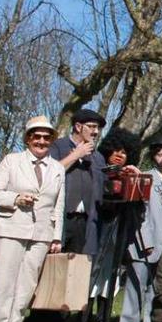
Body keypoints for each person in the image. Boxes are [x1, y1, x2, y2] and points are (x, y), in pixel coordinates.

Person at [0, 116, 65, 322]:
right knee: (3, 281)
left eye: (46, 137)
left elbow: (58, 205)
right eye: (36, 136)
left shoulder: (58, 168)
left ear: (51, 140)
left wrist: (56, 236)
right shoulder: (12, 161)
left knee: (27, 284)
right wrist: (16, 198)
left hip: (41, 234)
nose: (41, 141)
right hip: (10, 229)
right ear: (28, 138)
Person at [120, 135, 162, 322]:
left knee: (156, 287)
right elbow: (139, 214)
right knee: (136, 284)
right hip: (144, 241)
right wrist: (145, 242)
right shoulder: (145, 177)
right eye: (160, 155)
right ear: (154, 157)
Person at [88, 128, 144, 322]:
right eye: (116, 150)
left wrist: (135, 180)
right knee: (93, 272)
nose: (120, 155)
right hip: (100, 230)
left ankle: (103, 320)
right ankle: (85, 317)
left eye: (125, 152)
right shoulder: (100, 171)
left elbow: (139, 206)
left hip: (120, 232)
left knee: (110, 276)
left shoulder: (131, 174)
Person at [48, 108, 107, 256]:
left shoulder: (98, 157)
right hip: (59, 219)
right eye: (92, 126)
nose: (96, 132)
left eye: (97, 128)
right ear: (78, 126)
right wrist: (75, 155)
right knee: (50, 266)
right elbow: (49, 175)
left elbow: (104, 188)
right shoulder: (57, 146)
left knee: (74, 269)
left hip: (84, 222)